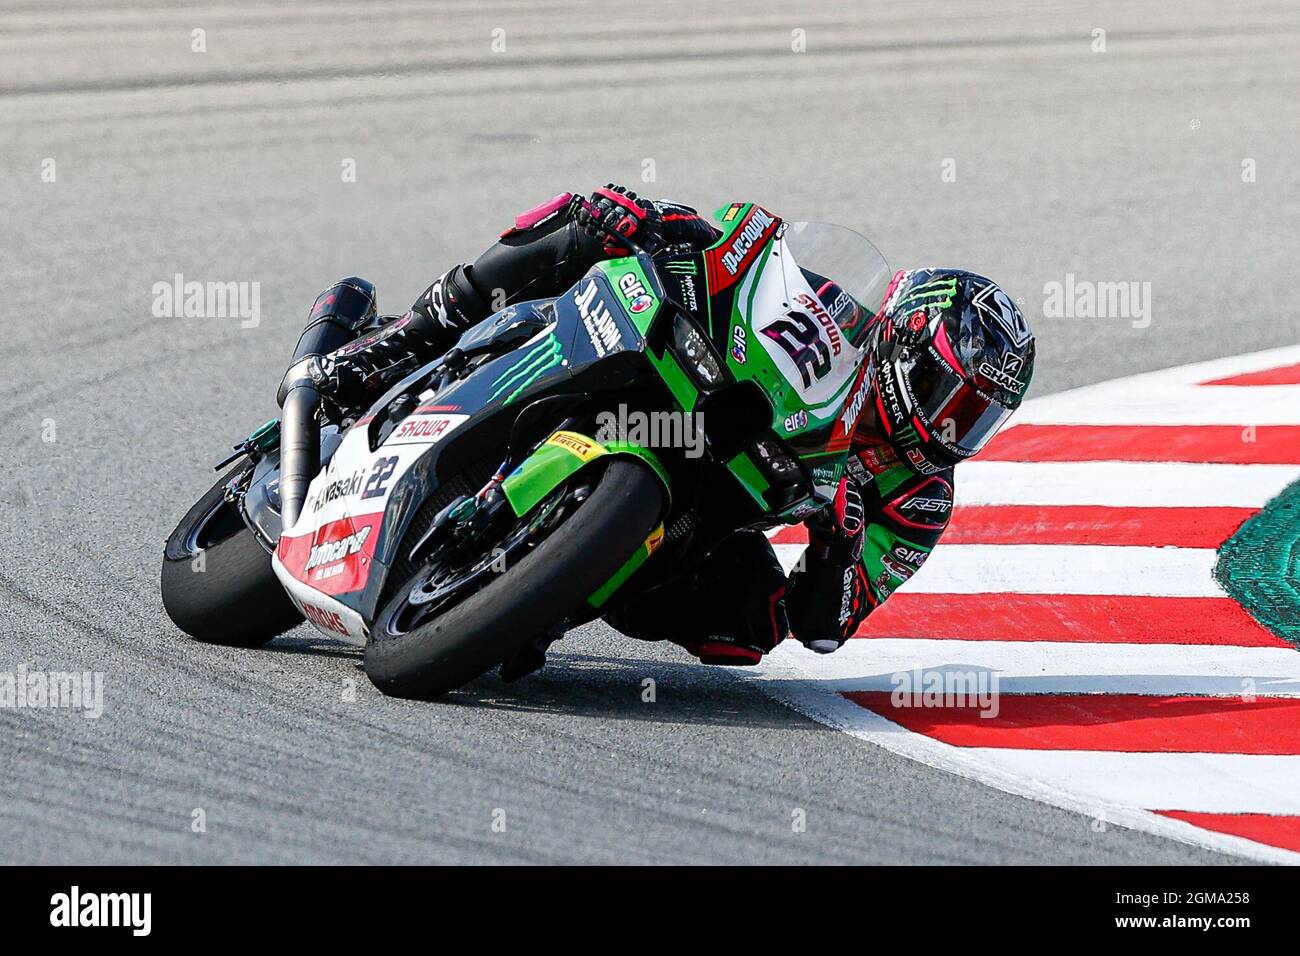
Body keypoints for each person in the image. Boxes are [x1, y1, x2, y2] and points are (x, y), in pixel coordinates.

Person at [283, 185, 1036, 665]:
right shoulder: (839, 307)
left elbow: (828, 626)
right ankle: (400, 342)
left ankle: (543, 591)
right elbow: (739, 255)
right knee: (588, 221)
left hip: (716, 496)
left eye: (977, 417)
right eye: (949, 394)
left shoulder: (919, 498)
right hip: (682, 376)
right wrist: (661, 225)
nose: (950, 426)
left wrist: (838, 545)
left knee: (748, 629)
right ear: (903, 342)